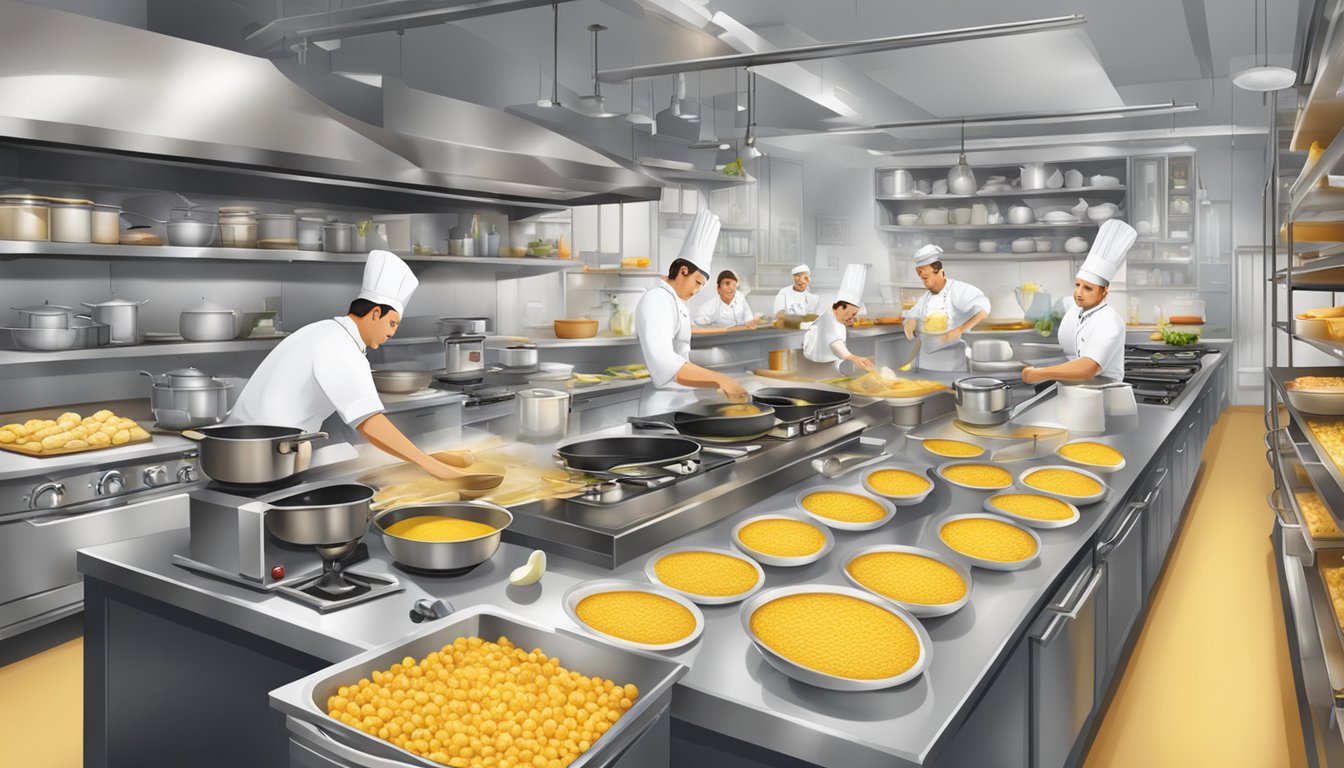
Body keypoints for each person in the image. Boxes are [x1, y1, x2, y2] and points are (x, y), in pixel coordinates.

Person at [227, 250, 471, 479]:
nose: (392, 333)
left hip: (246, 451)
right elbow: (370, 423)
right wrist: (436, 469)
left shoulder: (324, 330)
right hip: (261, 461)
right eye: (393, 324)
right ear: (376, 313)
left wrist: (426, 458)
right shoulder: (341, 346)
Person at [635, 209, 748, 412]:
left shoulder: (676, 301)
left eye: (701, 287)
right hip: (662, 407)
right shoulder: (657, 299)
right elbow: (665, 363)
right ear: (683, 271)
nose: (696, 291)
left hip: (682, 401)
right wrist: (720, 379)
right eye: (696, 283)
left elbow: (682, 353)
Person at [1022, 220, 1136, 384]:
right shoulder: (1075, 311)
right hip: (1076, 391)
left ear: (1104, 291)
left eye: (1088, 288)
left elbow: (1088, 367)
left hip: (1106, 396)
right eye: (1077, 285)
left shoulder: (1109, 321)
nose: (1079, 293)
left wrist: (1040, 373)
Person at [902, 244, 990, 371]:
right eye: (919, 273)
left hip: (952, 363)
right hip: (925, 363)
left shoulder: (958, 289)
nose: (920, 275)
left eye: (924, 273)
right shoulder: (925, 298)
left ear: (938, 270)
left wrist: (960, 330)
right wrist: (911, 322)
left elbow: (983, 309)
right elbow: (912, 317)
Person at [800, 263, 875, 376]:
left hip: (831, 367)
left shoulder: (838, 317)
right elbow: (835, 343)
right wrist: (853, 358)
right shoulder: (829, 318)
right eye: (853, 314)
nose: (853, 318)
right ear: (841, 307)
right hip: (817, 369)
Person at [693, 270, 757, 332]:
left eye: (734, 285)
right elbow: (698, 328)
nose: (731, 288)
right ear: (718, 289)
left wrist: (750, 322)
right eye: (727, 283)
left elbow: (749, 318)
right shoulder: (709, 308)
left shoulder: (739, 297)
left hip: (741, 336)